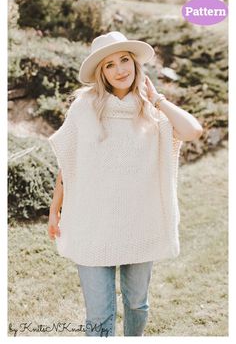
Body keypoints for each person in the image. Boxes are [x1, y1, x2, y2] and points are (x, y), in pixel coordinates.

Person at [47, 31, 203, 337]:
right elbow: (69, 162)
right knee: (100, 313)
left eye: (125, 60)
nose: (120, 69)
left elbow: (192, 130)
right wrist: (55, 208)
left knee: (136, 305)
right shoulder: (84, 108)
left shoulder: (153, 112)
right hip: (92, 225)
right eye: (109, 65)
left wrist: (156, 98)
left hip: (140, 223)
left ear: (135, 64)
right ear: (100, 73)